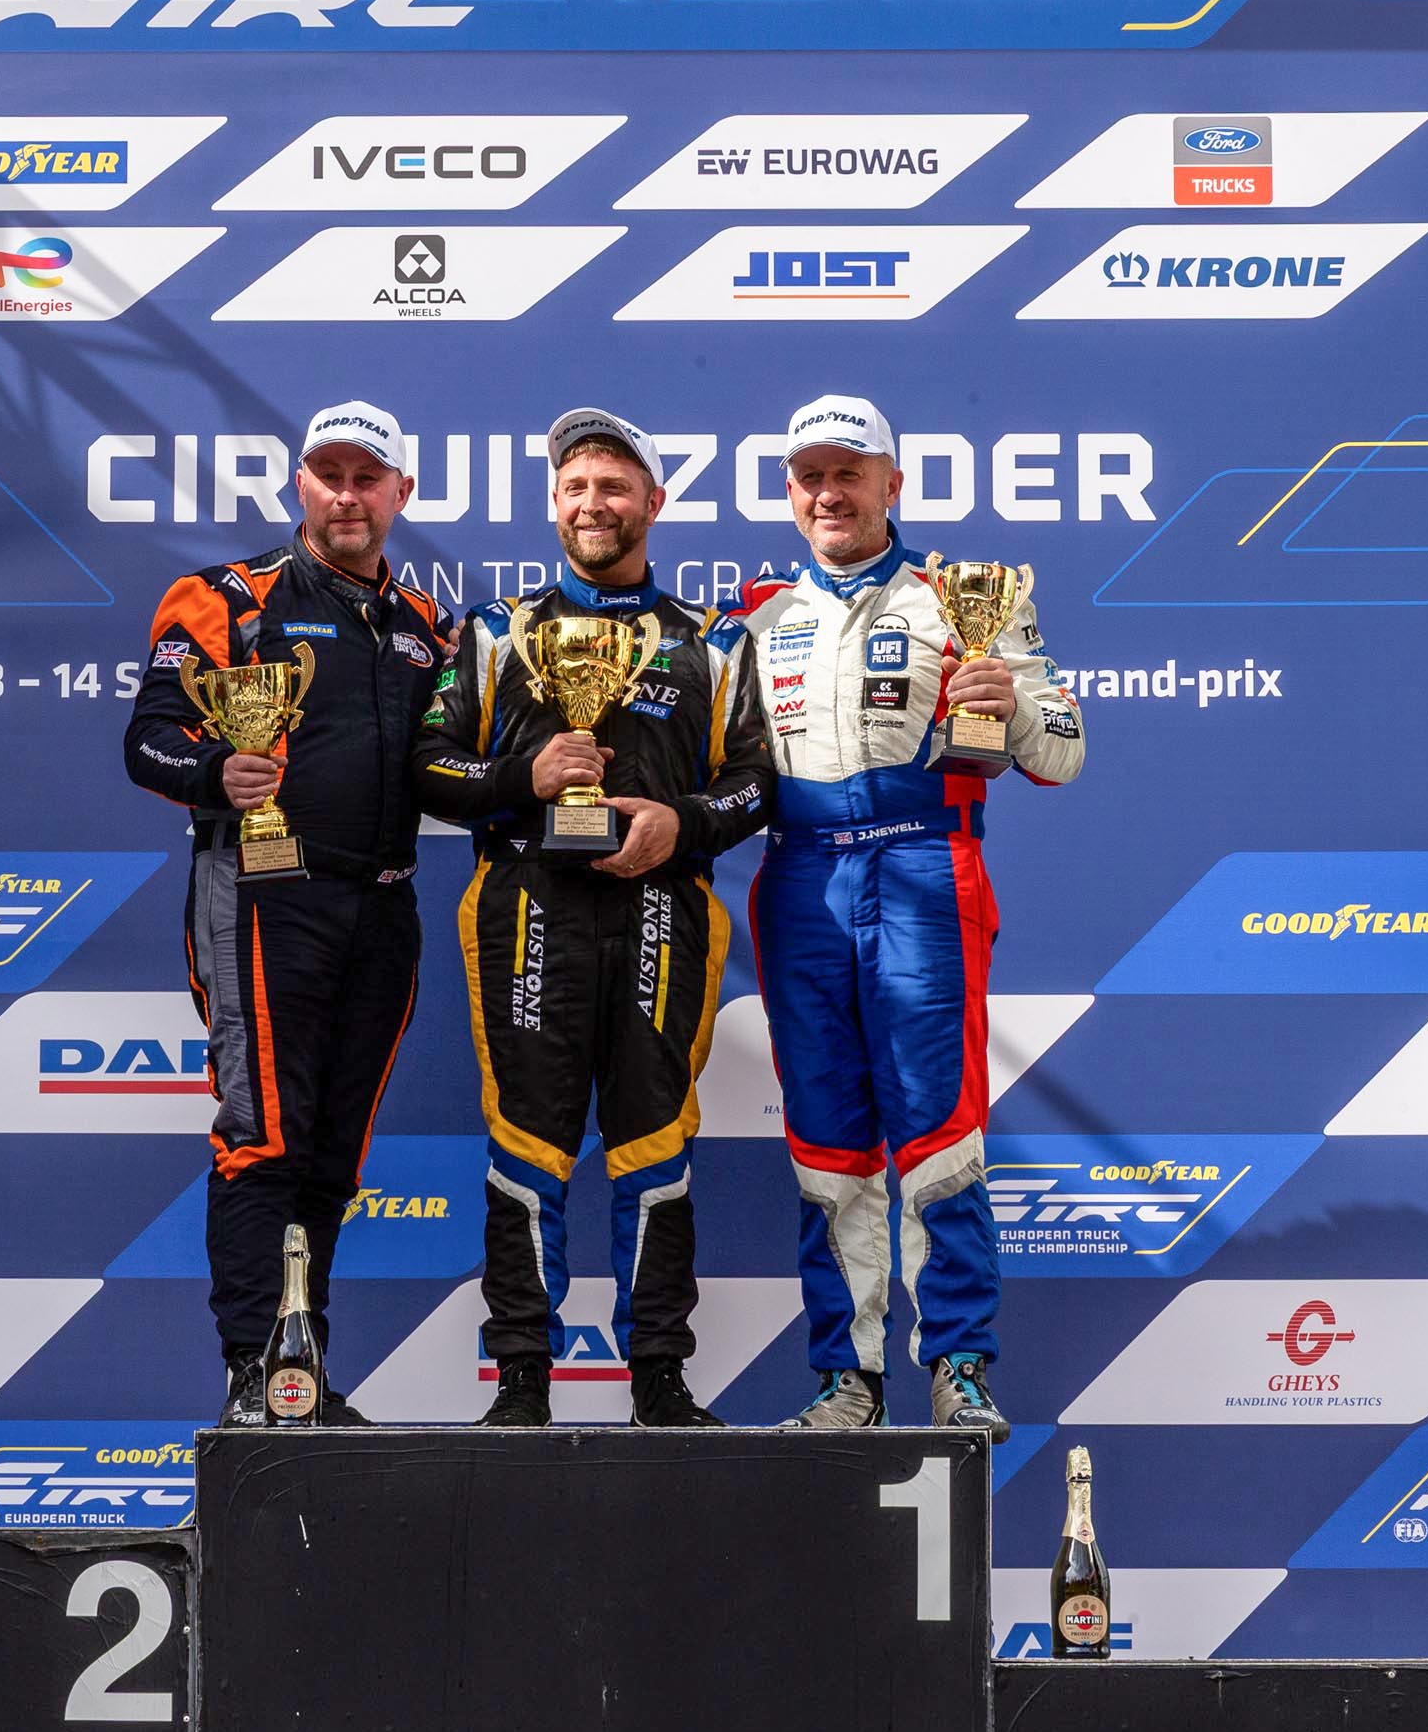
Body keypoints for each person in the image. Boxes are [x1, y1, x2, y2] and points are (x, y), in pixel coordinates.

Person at [413, 407, 774, 1428]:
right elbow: (430, 769)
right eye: (575, 486)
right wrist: (520, 777)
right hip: (528, 907)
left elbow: (758, 783)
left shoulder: (714, 640)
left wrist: (682, 821)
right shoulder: (495, 631)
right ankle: (523, 1376)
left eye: (613, 486)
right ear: (553, 503)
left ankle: (658, 1374)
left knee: (656, 1135)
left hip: (665, 908)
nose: (592, 503)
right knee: (526, 1134)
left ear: (652, 502)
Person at [733, 394, 1084, 1438]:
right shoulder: (755, 618)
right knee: (825, 1134)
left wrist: (1009, 705)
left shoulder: (965, 595)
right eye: (810, 476)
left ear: (893, 482)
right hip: (801, 880)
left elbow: (1063, 750)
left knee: (939, 1124)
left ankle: (958, 1365)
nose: (829, 493)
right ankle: (847, 1376)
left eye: (850, 472)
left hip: (927, 863)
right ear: (789, 492)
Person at [123, 400, 450, 1428]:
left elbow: (453, 763)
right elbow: (148, 738)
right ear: (298, 483)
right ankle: (251, 1377)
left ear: (401, 491)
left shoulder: (423, 624)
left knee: (333, 1156)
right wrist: (216, 771)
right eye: (329, 475)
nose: (347, 496)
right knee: (262, 1134)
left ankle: (300, 1377)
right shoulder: (229, 596)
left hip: (383, 906)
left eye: (367, 477)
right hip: (263, 891)